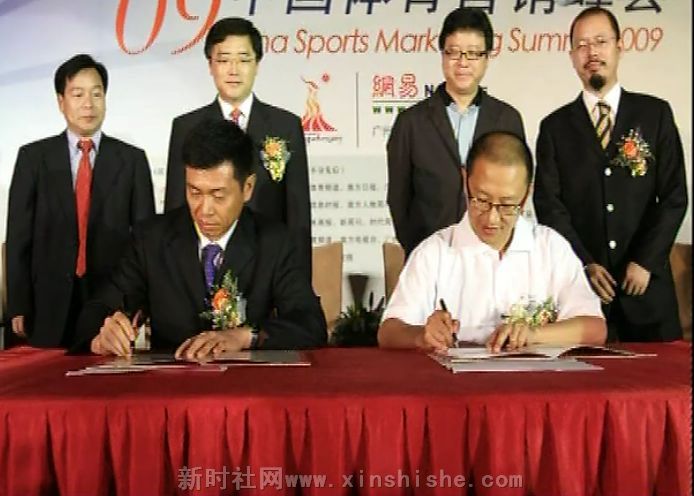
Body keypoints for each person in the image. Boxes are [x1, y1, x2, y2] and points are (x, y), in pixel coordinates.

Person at [73, 119, 326, 359]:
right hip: (171, 382)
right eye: (194, 192)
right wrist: (102, 336)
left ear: (247, 188)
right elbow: (97, 310)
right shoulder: (151, 240)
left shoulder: (274, 242)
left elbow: (310, 324)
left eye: (218, 195)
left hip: (246, 383)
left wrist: (245, 337)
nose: (204, 210)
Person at [534, 7, 687, 342]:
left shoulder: (655, 114)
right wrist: (583, 264)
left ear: (620, 47)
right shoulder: (554, 128)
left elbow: (674, 196)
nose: (592, 52)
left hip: (647, 292)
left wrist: (645, 261)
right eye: (582, 45)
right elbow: (549, 205)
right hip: (583, 297)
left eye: (601, 41)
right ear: (572, 57)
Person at [378, 132, 606, 352]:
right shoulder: (435, 252)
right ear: (465, 180)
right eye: (482, 200)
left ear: (526, 194)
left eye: (507, 205)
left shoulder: (550, 248)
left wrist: (534, 334)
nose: (492, 219)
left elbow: (594, 329)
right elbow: (389, 331)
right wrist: (422, 335)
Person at [5, 54, 155, 348]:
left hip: (110, 302)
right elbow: (19, 237)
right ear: (61, 101)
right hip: (45, 300)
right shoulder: (33, 158)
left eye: (96, 94)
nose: (89, 104)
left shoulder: (132, 160)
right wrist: (18, 303)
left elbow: (145, 241)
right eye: (78, 94)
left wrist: (140, 304)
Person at [164, 17, 312, 278]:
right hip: (205, 266)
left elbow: (298, 215)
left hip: (268, 267)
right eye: (223, 60)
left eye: (243, 60)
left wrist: (298, 284)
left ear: (257, 65)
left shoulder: (285, 126)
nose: (233, 70)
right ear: (210, 65)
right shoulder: (186, 127)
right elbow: (176, 211)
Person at [387, 7, 526, 257]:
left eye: (473, 54)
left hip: (493, 256)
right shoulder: (411, 123)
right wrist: (421, 254)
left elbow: (517, 190)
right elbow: (399, 200)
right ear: (442, 54)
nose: (463, 63)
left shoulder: (507, 119)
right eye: (454, 52)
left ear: (486, 58)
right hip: (431, 257)